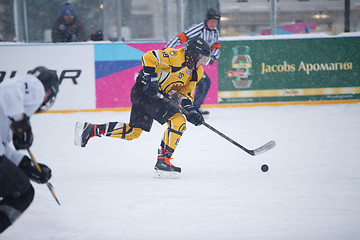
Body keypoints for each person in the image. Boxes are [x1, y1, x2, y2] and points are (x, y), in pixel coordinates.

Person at [74, 37, 211, 178]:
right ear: (193, 54)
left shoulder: (196, 72)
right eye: (202, 59)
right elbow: (149, 57)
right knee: (178, 121)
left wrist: (192, 111)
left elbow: (185, 94)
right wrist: (151, 80)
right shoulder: (175, 56)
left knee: (133, 132)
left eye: (205, 60)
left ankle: (90, 129)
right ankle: (163, 161)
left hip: (155, 97)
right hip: (144, 92)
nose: (203, 63)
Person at [0, 66, 59, 233]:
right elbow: (9, 89)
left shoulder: (10, 109)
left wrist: (26, 164)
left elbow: (3, 148)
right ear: (49, 92)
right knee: (23, 193)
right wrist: (20, 122)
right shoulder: (36, 87)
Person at [165, 7, 221, 115]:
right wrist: (166, 50)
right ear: (206, 20)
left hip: (197, 63)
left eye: (216, 22)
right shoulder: (198, 28)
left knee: (204, 82)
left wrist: (214, 56)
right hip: (186, 60)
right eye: (211, 21)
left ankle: (194, 107)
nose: (213, 24)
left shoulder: (215, 33)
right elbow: (179, 38)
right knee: (185, 81)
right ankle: (172, 106)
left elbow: (216, 47)